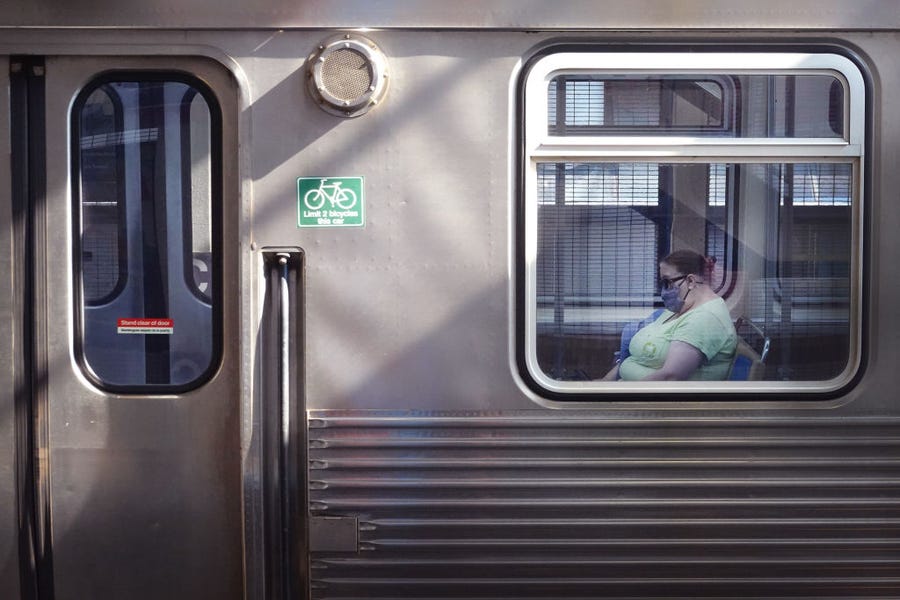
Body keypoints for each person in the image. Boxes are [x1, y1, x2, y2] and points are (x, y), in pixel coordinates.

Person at [603, 250, 737, 381]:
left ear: (690, 281)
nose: (663, 291)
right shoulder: (679, 309)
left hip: (654, 400)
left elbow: (670, 378)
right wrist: (604, 382)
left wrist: (619, 393)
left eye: (667, 282)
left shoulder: (704, 319)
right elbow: (634, 358)